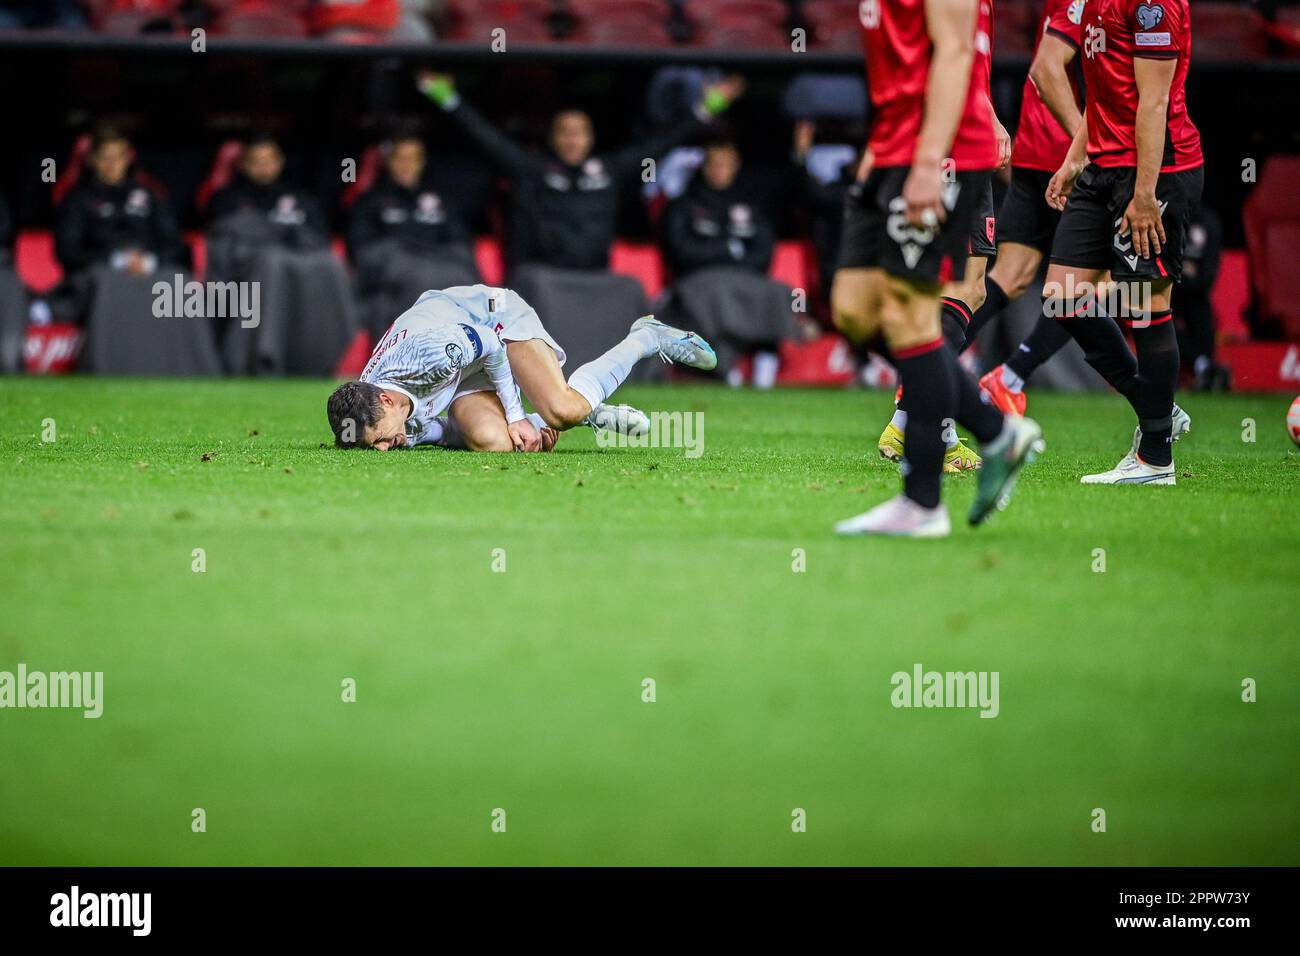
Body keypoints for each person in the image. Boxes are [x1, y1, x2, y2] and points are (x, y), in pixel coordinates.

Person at [830, 0, 1045, 538]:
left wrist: (928, 162)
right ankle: (997, 431)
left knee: (911, 316)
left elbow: (954, 53)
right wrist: (882, 145)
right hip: (894, 142)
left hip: (937, 149)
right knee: (853, 310)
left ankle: (922, 502)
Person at [1039, 0, 1203, 484]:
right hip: (1101, 167)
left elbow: (1153, 101)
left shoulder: (1153, 5)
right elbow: (1109, 94)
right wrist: (1074, 159)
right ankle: (1156, 407)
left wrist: (1146, 194)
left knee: (1146, 303)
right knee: (1061, 298)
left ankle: (1155, 459)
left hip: (1154, 171)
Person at [326, 284, 718, 452]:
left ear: (387, 399)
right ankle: (581, 416)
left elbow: (492, 345)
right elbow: (433, 429)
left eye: (379, 438)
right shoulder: (376, 405)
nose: (382, 449)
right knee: (495, 444)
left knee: (561, 410)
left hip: (492, 322)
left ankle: (646, 338)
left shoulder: (429, 355)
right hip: (464, 366)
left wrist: (516, 416)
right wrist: (522, 429)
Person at [874, 0, 1007, 473]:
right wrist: (985, 114)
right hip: (954, 147)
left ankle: (905, 419)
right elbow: (946, 55)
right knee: (956, 291)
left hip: (946, 141)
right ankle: (944, 433)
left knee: (956, 291)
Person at [53, 126, 217, 374]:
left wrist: (150, 261)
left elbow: (176, 246)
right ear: (92, 160)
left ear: (128, 158)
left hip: (150, 267)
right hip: (99, 271)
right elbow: (67, 252)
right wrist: (117, 260)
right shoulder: (77, 198)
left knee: (180, 281)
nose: (111, 164)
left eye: (117, 157)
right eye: (105, 157)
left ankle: (194, 373)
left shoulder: (150, 195)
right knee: (109, 281)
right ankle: (104, 370)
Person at [207, 135, 360, 375]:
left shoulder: (300, 198)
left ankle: (319, 357)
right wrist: (277, 232)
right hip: (251, 274)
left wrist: (284, 234)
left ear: (280, 162)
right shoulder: (228, 198)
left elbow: (319, 237)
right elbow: (225, 243)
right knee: (272, 262)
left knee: (329, 264)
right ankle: (265, 360)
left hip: (300, 272)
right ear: (244, 164)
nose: (264, 167)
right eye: (256, 161)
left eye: (269, 160)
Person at [661, 140, 795, 387]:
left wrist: (729, 256)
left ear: (736, 167)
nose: (720, 170)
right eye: (715, 164)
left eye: (726, 165)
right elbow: (680, 252)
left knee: (776, 290)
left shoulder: (751, 205)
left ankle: (766, 361)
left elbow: (763, 254)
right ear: (704, 167)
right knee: (715, 291)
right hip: (697, 281)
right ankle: (723, 366)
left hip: (745, 277)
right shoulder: (685, 204)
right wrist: (727, 250)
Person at [346, 133, 479, 339]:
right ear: (389, 162)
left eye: (413, 158)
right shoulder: (370, 200)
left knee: (464, 280)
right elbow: (361, 252)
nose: (406, 165)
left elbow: (461, 245)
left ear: (422, 162)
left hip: (442, 272)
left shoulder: (442, 200)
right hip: (393, 281)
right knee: (413, 279)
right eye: (400, 158)